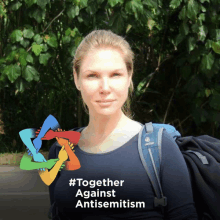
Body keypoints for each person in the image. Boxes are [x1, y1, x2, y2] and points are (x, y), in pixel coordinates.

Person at [48, 29, 198, 219]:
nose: (104, 88)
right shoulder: (60, 151)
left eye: (115, 75)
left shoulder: (160, 148)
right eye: (92, 76)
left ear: (129, 77)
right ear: (77, 79)